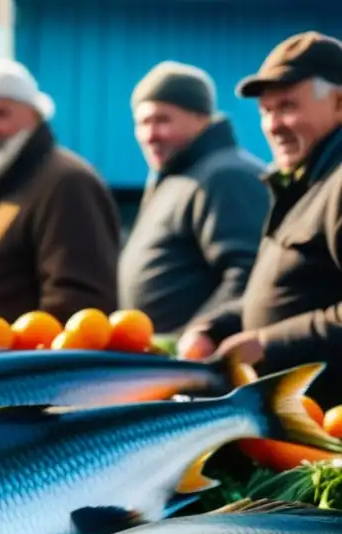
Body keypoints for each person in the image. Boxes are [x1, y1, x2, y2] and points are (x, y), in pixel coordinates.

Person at [177, 32, 342, 405]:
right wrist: (218, 327)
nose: (273, 125)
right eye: (266, 111)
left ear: (339, 103)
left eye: (287, 106)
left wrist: (267, 344)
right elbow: (294, 293)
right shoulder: (306, 181)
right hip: (289, 424)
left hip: (327, 431)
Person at [0, 60, 120, 327]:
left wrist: (30, 360)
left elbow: (79, 303)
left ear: (34, 115)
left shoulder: (66, 183)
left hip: (22, 366)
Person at [120, 62, 268, 335]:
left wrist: (198, 337)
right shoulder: (177, 176)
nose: (150, 135)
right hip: (162, 361)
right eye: (142, 123)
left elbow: (249, 274)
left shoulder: (226, 176)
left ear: (202, 118)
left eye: (162, 120)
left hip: (201, 365)